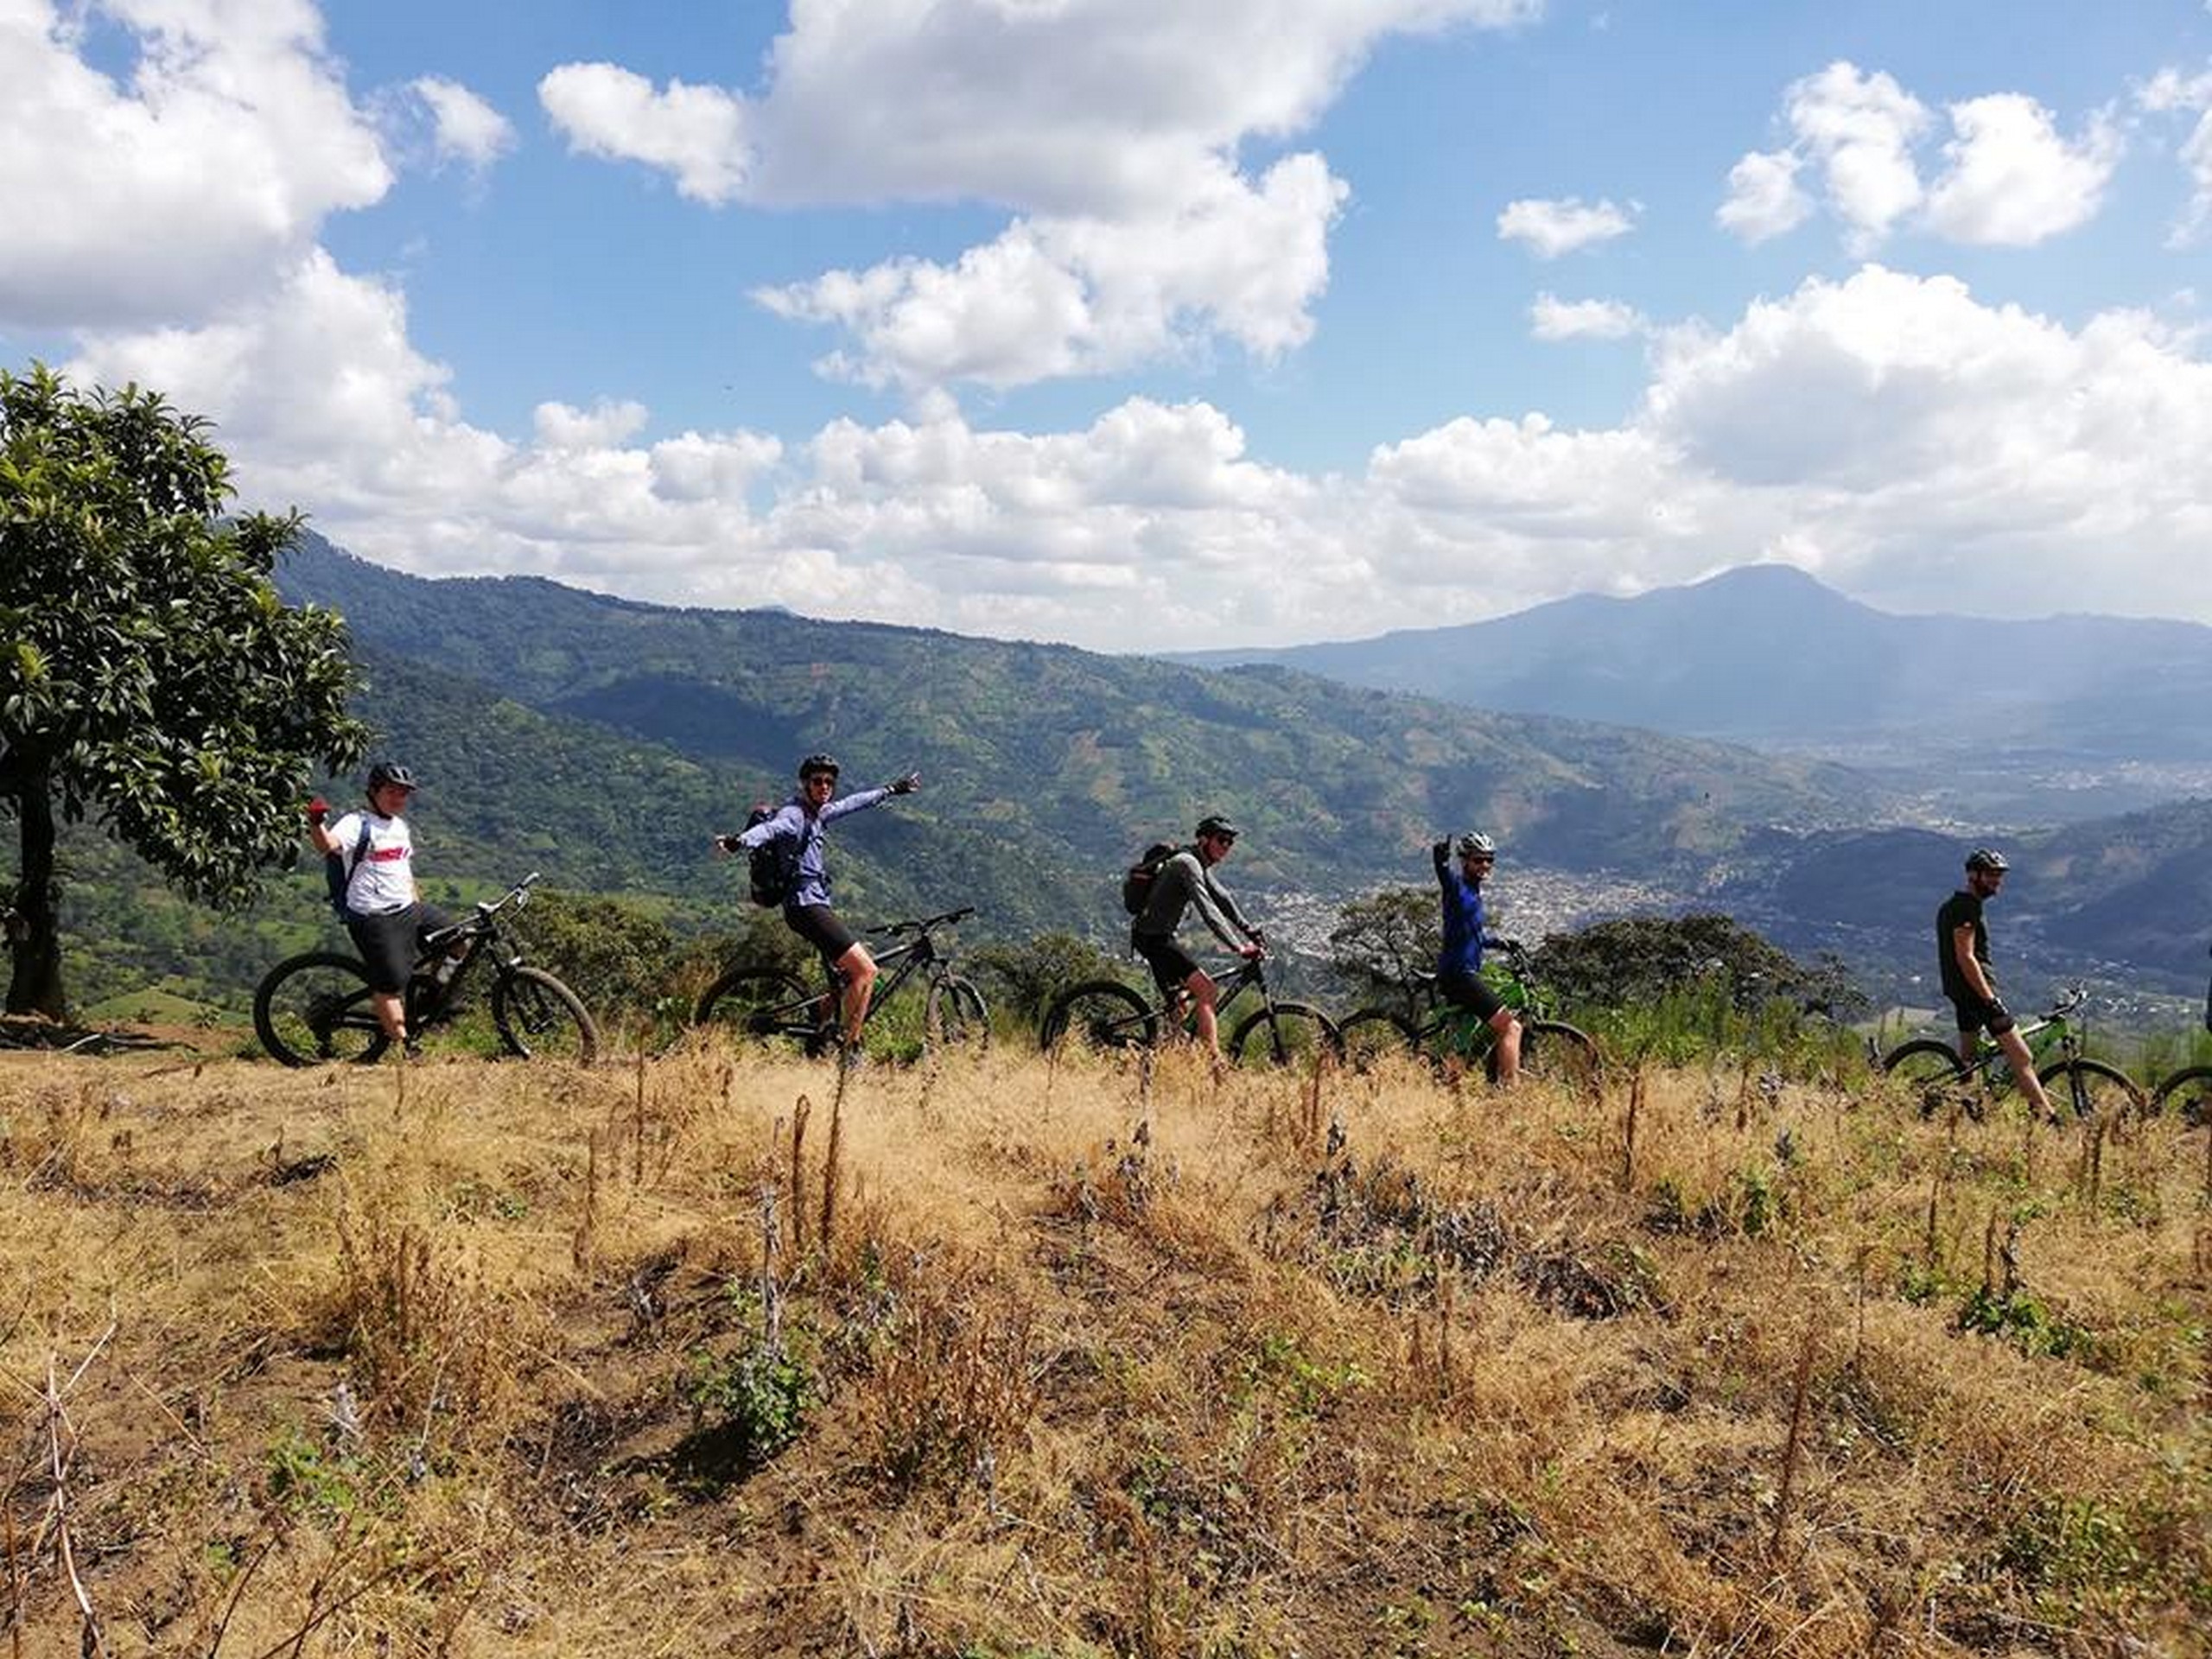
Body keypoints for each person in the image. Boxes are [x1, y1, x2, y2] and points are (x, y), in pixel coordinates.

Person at [715, 752, 918, 1054]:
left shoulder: (819, 812)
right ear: (804, 784)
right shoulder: (795, 815)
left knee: (847, 977)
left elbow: (853, 803)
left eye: (829, 782)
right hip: (805, 907)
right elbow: (770, 829)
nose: (825, 786)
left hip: (814, 905)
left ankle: (818, 1040)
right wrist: (740, 841)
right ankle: (852, 1049)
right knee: (867, 971)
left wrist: (891, 790)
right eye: (818, 781)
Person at [306, 761, 455, 1059]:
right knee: (389, 985)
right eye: (392, 792)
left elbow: (404, 869)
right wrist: (316, 822)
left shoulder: (399, 826)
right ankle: (405, 1048)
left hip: (408, 908)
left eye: (403, 794)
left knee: (458, 940)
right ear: (374, 792)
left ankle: (431, 997)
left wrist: (416, 903)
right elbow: (328, 846)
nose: (398, 798)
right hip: (374, 917)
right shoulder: (355, 823)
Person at [1128, 814, 1263, 1065]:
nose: (1226, 847)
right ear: (1203, 840)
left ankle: (1169, 1058)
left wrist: (1248, 928)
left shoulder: (1197, 861)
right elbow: (1208, 908)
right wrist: (1239, 946)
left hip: (1157, 936)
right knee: (1207, 989)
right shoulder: (1187, 864)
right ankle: (1214, 1063)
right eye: (1221, 840)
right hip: (1154, 939)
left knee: (1178, 1002)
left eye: (1230, 843)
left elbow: (1221, 896)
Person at [1936, 847, 2053, 1116]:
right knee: (2022, 1057)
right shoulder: (1966, 909)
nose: (1996, 881)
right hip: (1975, 993)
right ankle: (2048, 1118)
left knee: (1967, 1061)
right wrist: (1990, 999)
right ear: (1973, 875)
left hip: (1960, 992)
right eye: (1990, 876)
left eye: (1999, 876)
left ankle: (1964, 1111)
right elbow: (1966, 957)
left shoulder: (1955, 905)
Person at [1433, 831, 1521, 1085]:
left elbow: (1474, 934)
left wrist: (1500, 943)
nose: (1484, 865)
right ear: (1465, 861)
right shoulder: (1457, 888)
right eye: (1478, 860)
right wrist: (1440, 862)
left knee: (1463, 1041)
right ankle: (1510, 1091)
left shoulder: (1474, 892)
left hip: (1463, 973)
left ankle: (1449, 1087)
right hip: (1459, 974)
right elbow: (1445, 878)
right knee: (1511, 1027)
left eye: (1489, 860)